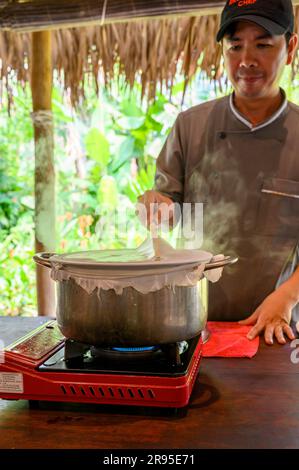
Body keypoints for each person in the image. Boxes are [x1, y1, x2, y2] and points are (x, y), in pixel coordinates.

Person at [139, 0, 299, 345]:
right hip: (193, 320)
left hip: (278, 324)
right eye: (235, 46)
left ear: (291, 46)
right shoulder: (191, 125)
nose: (246, 61)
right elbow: (169, 206)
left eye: (263, 44)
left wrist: (287, 296)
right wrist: (158, 206)